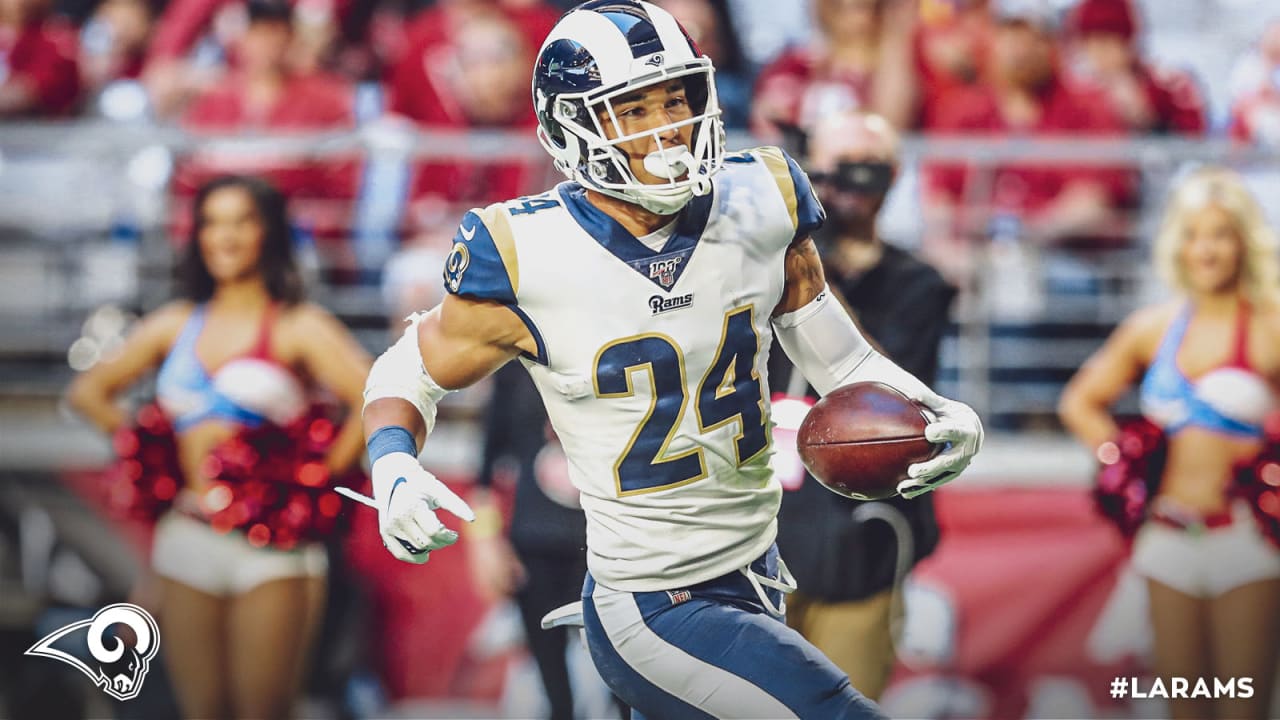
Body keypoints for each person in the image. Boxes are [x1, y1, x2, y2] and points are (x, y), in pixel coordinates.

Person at [354, 2, 982, 717]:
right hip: (653, 604)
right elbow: (409, 369)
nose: (667, 125)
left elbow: (841, 359)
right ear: (571, 125)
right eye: (632, 108)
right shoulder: (527, 252)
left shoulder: (760, 200)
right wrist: (395, 462)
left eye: (675, 98)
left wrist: (933, 410)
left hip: (755, 570)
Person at [67, 175, 372, 719]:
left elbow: (376, 398)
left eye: (241, 222)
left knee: (262, 713)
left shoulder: (298, 326)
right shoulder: (176, 322)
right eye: (211, 223)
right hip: (186, 538)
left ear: (269, 234)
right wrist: (149, 449)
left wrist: (318, 474)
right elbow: (89, 392)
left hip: (272, 550)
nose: (224, 237)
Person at [1059, 167, 1280, 720]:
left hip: (1246, 542)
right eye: (1193, 234)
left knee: (1242, 709)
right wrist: (1125, 462)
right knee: (1187, 709)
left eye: (1220, 235)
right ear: (1176, 245)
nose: (1205, 250)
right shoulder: (1151, 327)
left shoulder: (1269, 327)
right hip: (1168, 538)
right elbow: (1080, 402)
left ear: (1243, 243)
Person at [773, 111, 955, 701]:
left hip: (861, 545)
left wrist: (806, 268)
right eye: (830, 171)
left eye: (863, 171)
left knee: (843, 705)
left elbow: (890, 390)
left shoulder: (917, 283)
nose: (845, 189)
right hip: (761, 539)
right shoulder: (764, 266)